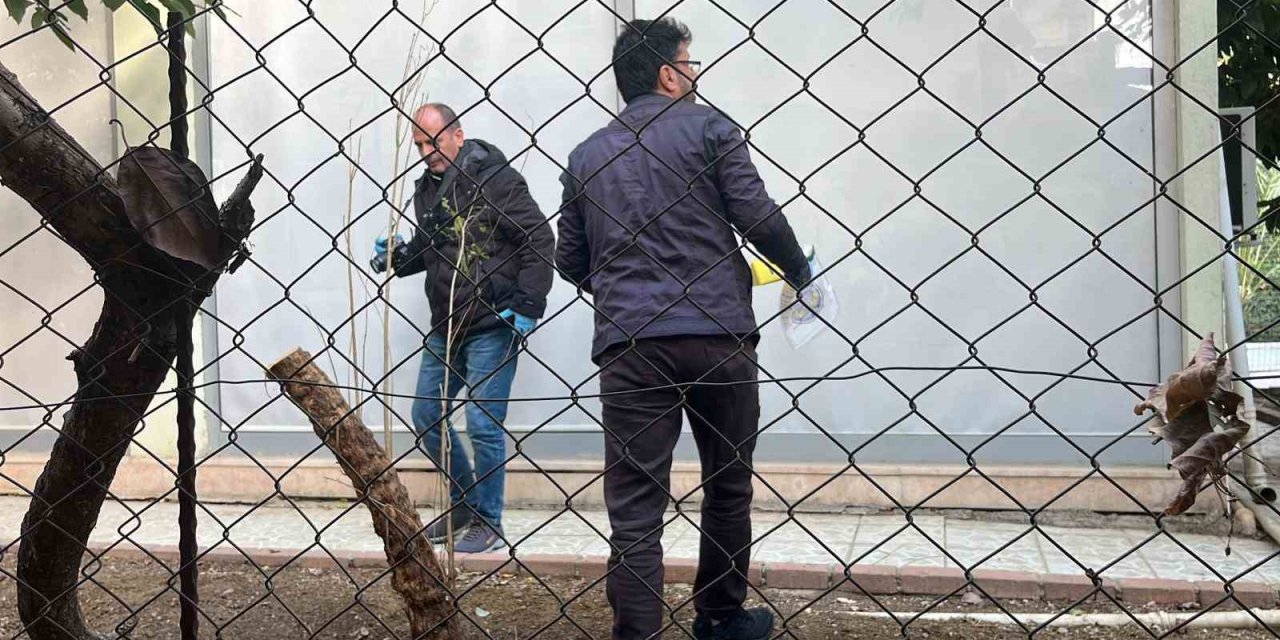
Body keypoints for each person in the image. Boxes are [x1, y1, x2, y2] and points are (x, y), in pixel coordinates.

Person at [556, 18, 812, 640]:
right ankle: (721, 618)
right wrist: (800, 271)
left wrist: (627, 287)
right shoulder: (711, 129)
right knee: (728, 483)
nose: (695, 74)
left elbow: (569, 261)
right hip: (717, 334)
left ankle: (636, 633)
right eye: (690, 63)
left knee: (636, 507)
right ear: (670, 74)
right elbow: (756, 214)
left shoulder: (587, 154)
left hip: (631, 345)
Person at [371, 103, 554, 554]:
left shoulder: (498, 180)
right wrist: (394, 256)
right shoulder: (426, 188)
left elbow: (539, 239)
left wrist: (528, 304)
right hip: (446, 325)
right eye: (418, 144)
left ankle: (489, 523)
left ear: (457, 134)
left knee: (482, 422)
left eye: (432, 141)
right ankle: (465, 506)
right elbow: (433, 251)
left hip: (493, 321)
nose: (426, 152)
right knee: (426, 415)